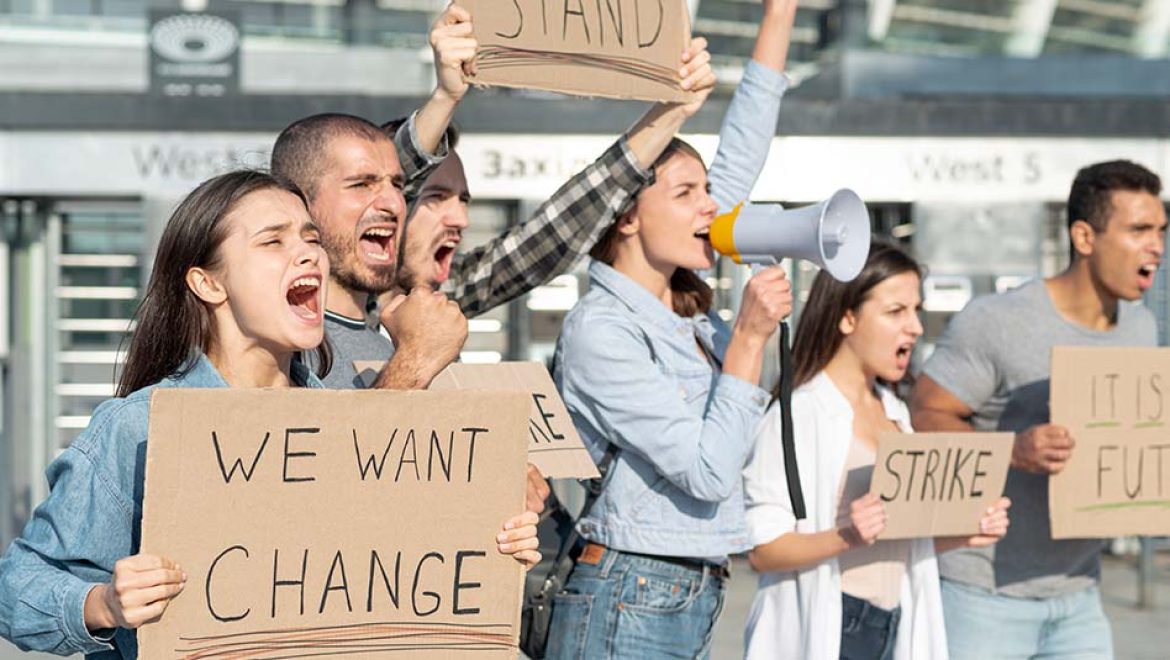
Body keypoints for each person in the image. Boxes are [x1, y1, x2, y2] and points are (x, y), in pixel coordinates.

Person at [0, 171, 539, 659]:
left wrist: (496, 544)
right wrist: (103, 605)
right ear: (208, 283)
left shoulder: (345, 428)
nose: (307, 255)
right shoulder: (139, 427)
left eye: (310, 238)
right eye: (273, 241)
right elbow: (15, 589)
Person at [270, 4, 718, 392]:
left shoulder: (429, 308)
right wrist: (445, 96)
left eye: (395, 187)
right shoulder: (280, 331)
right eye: (436, 195)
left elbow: (551, 235)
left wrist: (673, 111)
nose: (390, 202)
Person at [545, 3, 803, 656]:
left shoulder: (685, 309)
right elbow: (705, 473)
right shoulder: (600, 330)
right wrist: (747, 341)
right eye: (686, 193)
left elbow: (745, 139)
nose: (709, 206)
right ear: (627, 217)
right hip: (630, 588)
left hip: (684, 587)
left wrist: (780, 14)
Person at [910, 160, 1165, 660]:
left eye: (1160, 230)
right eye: (1139, 230)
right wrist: (1013, 450)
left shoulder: (1141, 327)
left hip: (1079, 596)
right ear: (1085, 237)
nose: (1156, 245)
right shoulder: (998, 320)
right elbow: (925, 416)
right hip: (981, 595)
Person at [742, 243, 1011, 660]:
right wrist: (845, 535)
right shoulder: (798, 414)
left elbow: (894, 540)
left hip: (895, 623)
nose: (916, 327)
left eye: (916, 310)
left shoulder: (896, 413)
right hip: (837, 627)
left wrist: (965, 532)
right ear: (847, 317)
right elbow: (762, 550)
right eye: (896, 311)